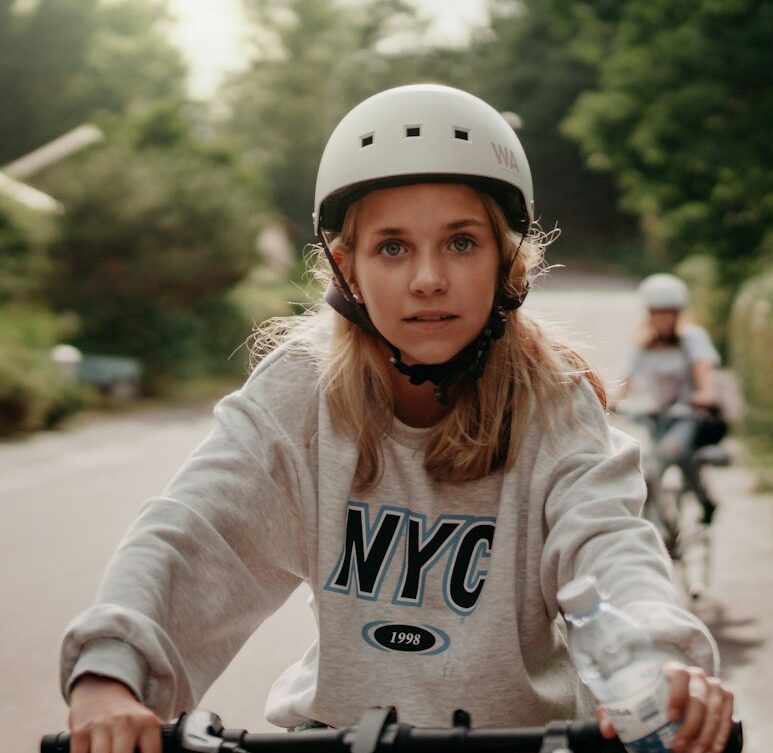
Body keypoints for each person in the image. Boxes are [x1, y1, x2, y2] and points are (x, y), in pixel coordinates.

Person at [60, 85, 734, 753]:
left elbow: (612, 547)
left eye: (462, 242)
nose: (428, 278)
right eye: (392, 247)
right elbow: (196, 528)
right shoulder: (302, 389)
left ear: (508, 259)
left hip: (526, 740)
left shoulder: (552, 401)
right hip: (336, 734)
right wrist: (110, 670)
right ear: (347, 268)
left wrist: (662, 662)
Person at [621, 274, 723, 530]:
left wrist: (705, 394)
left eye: (669, 312)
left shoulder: (692, 339)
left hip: (688, 417)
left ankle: (705, 501)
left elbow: (703, 372)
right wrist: (606, 400)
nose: (664, 318)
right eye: (658, 312)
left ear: (678, 313)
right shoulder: (644, 345)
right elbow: (625, 382)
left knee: (664, 458)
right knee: (656, 468)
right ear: (649, 314)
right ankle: (656, 527)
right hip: (659, 418)